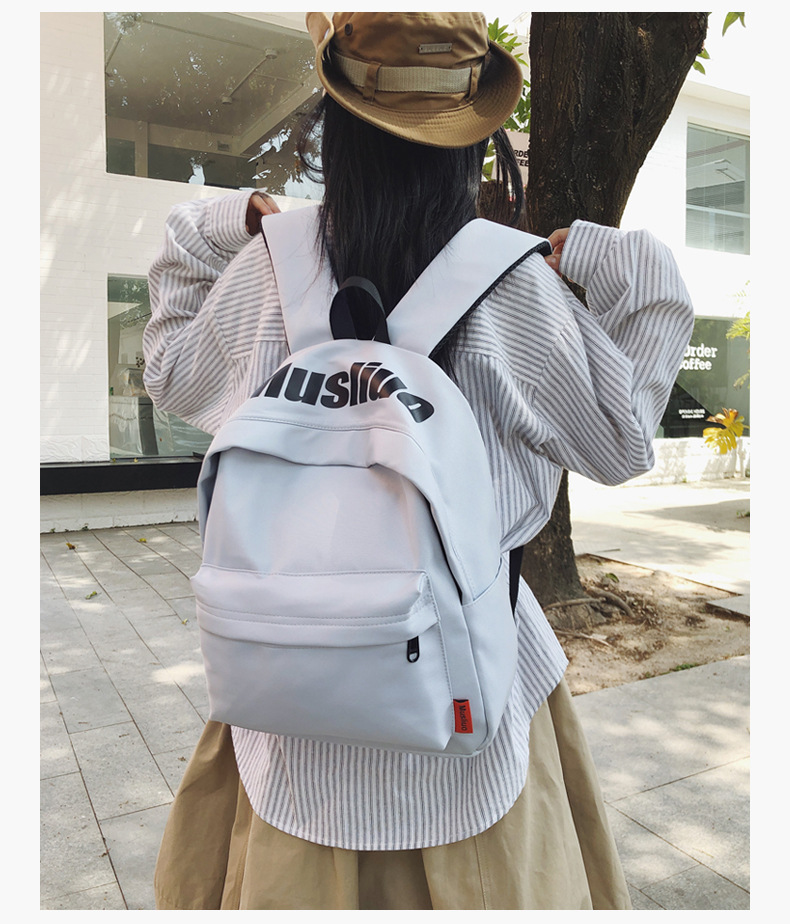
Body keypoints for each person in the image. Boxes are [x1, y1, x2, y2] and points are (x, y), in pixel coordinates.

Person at [143, 12, 694, 910]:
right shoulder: (515, 287)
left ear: (336, 128)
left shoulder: (266, 271)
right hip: (473, 706)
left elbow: (168, 371)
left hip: (287, 696)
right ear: (470, 139)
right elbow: (623, 441)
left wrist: (211, 225)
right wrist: (629, 265)